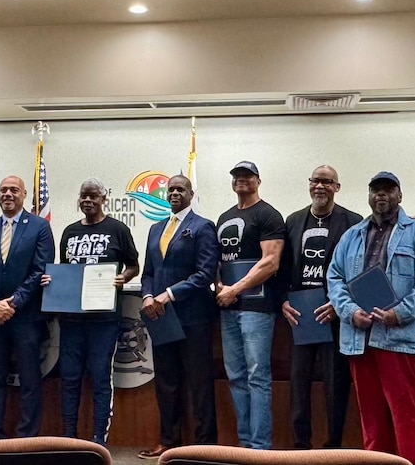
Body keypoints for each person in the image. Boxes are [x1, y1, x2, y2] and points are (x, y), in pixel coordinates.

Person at [327, 171, 415, 465]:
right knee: (371, 417)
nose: (381, 195)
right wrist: (350, 312)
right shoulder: (351, 235)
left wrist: (399, 313)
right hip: (359, 339)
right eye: (375, 190)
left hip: (401, 340)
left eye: (388, 190)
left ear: (399, 196)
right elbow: (334, 277)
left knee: (407, 415)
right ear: (369, 196)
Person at [42, 178, 139, 447]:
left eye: (93, 196)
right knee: (69, 378)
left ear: (103, 199)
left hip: (104, 320)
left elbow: (134, 266)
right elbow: (65, 270)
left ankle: (99, 439)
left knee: (100, 378)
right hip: (72, 319)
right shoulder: (70, 232)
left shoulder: (117, 229)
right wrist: (53, 281)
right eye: (83, 196)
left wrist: (123, 277)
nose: (87, 200)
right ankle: (69, 435)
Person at [280, 165, 362, 449]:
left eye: (327, 182)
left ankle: (333, 445)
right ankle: (300, 446)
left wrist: (341, 304)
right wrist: (283, 301)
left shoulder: (353, 222)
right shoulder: (293, 221)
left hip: (334, 314)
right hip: (300, 314)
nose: (320, 186)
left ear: (337, 187)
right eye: (315, 180)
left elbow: (360, 269)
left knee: (336, 383)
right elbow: (282, 267)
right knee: (298, 383)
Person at [138, 175, 220, 459]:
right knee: (166, 382)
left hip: (193, 317)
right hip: (161, 317)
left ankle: (204, 446)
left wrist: (169, 294)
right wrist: (148, 296)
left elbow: (205, 273)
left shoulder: (202, 226)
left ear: (191, 194)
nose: (174, 193)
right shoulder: (155, 228)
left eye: (180, 189)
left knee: (199, 383)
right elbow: (148, 273)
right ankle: (168, 441)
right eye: (171, 189)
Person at [0, 175, 55, 439]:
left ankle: (26, 437)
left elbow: (40, 270)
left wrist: (13, 302)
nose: (8, 194)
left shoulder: (40, 227)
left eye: (14, 190)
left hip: (27, 317)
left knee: (29, 379)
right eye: (3, 190)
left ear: (24, 195)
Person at [215, 161, 285, 450]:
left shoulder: (268, 215)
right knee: (235, 377)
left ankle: (260, 447)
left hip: (257, 310)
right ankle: (245, 445)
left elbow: (271, 262)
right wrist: (220, 286)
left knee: (257, 377)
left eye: (247, 176)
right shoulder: (224, 218)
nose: (241, 180)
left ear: (258, 181)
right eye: (237, 176)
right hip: (228, 309)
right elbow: (217, 261)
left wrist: (235, 289)